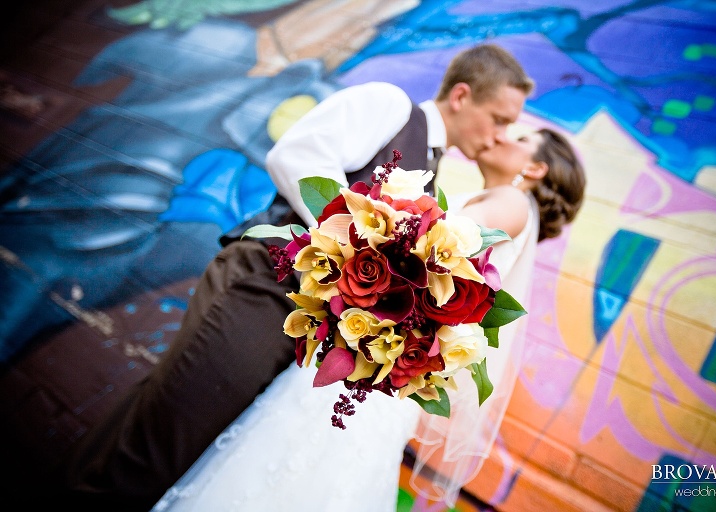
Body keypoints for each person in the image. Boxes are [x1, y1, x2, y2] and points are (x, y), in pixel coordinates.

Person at [52, 44, 534, 510]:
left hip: (291, 316)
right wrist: (373, 247)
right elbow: (294, 157)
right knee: (163, 443)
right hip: (263, 286)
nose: (498, 136)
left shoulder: (431, 164)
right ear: (462, 95)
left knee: (160, 418)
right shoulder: (390, 105)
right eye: (499, 119)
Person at [149, 127, 586, 511]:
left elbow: (432, 245)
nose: (503, 135)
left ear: (535, 169)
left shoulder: (510, 200)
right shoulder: (515, 211)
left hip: (372, 358)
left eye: (522, 138)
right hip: (382, 364)